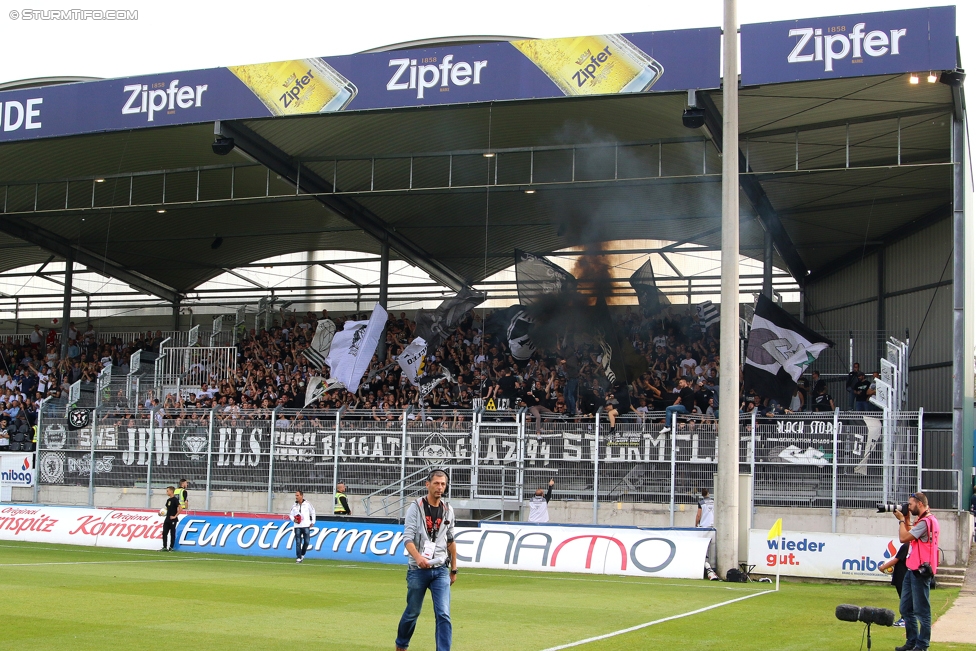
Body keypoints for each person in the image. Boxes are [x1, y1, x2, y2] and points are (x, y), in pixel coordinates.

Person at [396, 469, 457, 651]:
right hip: (417, 569)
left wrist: (454, 569)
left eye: (443, 484)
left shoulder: (448, 510)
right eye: (437, 483)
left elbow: (451, 540)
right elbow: (407, 538)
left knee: (443, 614)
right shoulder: (415, 507)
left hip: (440, 570)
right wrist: (418, 557)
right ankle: (401, 644)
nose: (440, 487)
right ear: (427, 484)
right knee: (413, 612)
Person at [894, 492, 940, 651]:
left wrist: (901, 520)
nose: (909, 506)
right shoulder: (926, 520)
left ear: (920, 504)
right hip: (913, 568)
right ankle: (912, 642)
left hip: (920, 571)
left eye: (911, 504)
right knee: (905, 608)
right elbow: (910, 535)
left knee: (922, 611)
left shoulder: (925, 522)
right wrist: (906, 519)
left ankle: (922, 645)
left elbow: (903, 538)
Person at [879, 541, 910, 627]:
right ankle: (906, 618)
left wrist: (883, 567)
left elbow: (896, 560)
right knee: (905, 598)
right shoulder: (910, 546)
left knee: (904, 599)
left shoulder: (906, 546)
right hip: (904, 575)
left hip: (902, 576)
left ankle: (905, 619)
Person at [288, 490, 316, 564]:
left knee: (306, 542)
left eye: (297, 495)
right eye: (295, 495)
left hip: (306, 525)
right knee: (298, 542)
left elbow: (313, 512)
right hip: (297, 526)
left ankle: (302, 554)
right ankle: (298, 557)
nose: (296, 497)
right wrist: (294, 519)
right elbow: (290, 514)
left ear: (301, 496)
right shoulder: (294, 505)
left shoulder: (307, 504)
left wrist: (313, 522)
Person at [160, 486, 179, 552]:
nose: (166, 492)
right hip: (167, 519)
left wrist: (175, 516)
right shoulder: (168, 500)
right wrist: (162, 513)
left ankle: (171, 547)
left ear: (171, 491)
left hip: (173, 520)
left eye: (167, 491)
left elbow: (180, 508)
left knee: (172, 533)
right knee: (164, 533)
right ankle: (164, 547)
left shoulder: (175, 500)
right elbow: (166, 509)